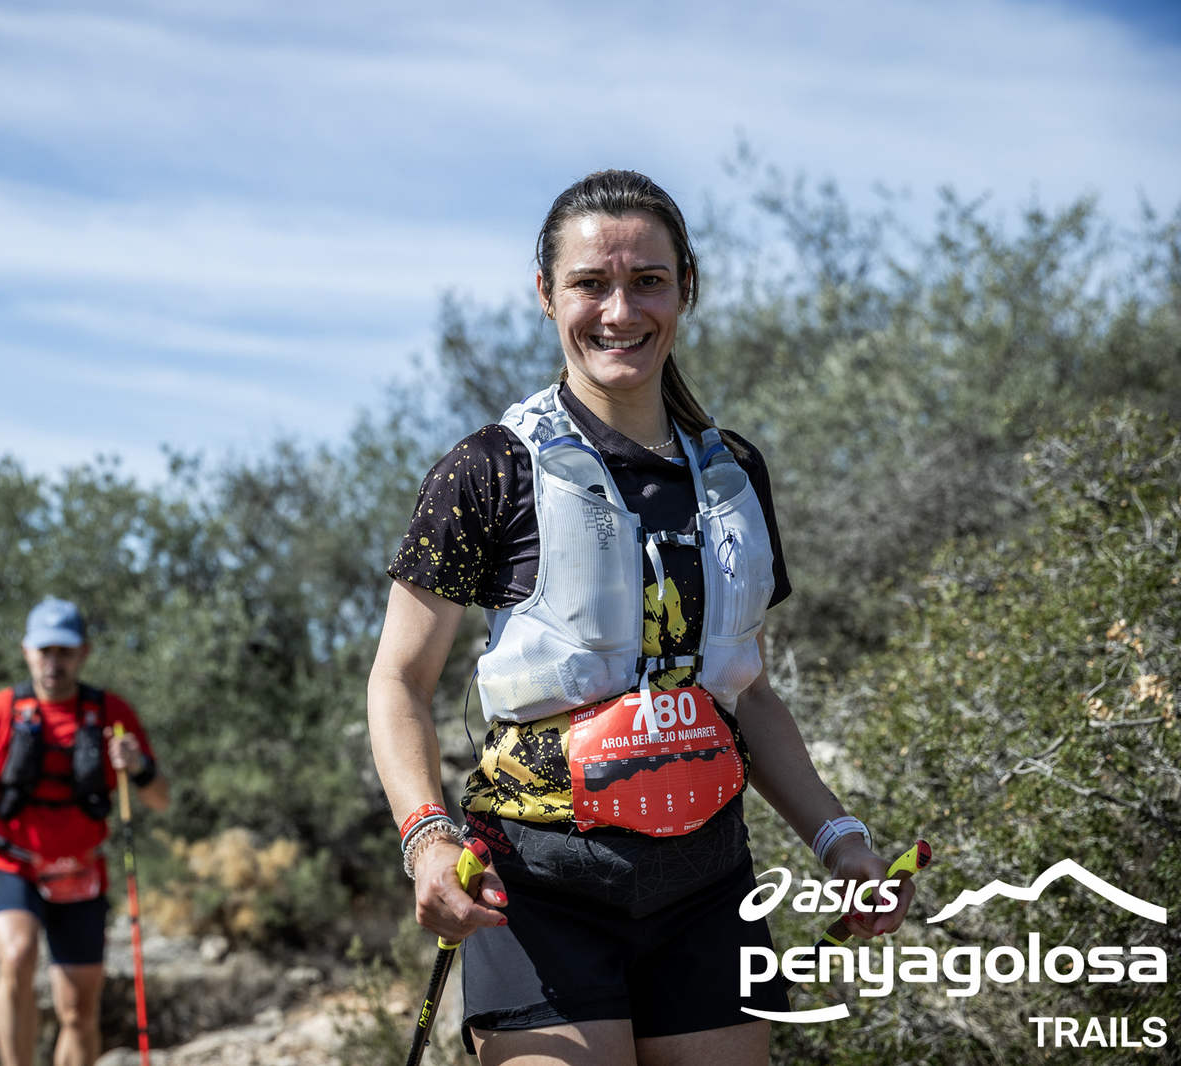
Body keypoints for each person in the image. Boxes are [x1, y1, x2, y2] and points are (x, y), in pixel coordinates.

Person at [367, 169, 915, 1066]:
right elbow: (399, 681)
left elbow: (748, 693)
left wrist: (839, 839)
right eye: (590, 283)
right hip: (535, 891)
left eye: (648, 281)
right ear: (546, 295)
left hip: (708, 889)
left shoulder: (735, 473)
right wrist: (427, 838)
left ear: (685, 289)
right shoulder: (487, 469)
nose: (619, 311)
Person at [0, 596, 169, 1066]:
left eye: (65, 651)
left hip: (81, 871)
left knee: (79, 1010)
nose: (54, 663)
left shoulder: (110, 714)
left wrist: (138, 766)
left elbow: (159, 798)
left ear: (84, 653)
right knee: (17, 955)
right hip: (10, 863)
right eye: (45, 651)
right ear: (27, 652)